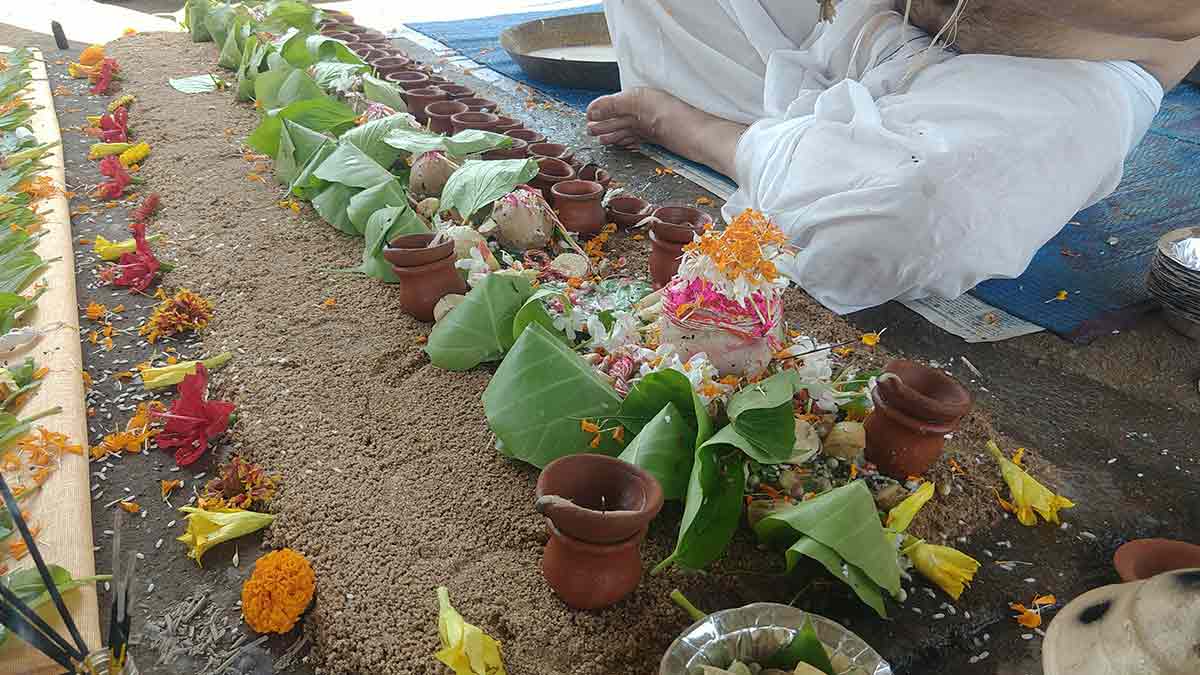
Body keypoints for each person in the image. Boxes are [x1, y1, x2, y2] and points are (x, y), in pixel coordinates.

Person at [588, 0, 1200, 313]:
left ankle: (694, 128)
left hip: (1063, 74)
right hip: (883, 25)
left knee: (905, 218)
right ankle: (808, 144)